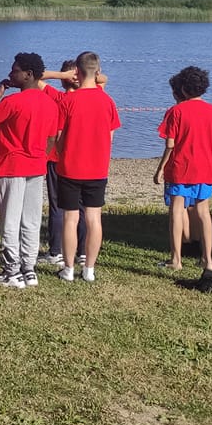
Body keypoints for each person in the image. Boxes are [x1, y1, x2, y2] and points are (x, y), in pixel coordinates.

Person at [0, 53, 59, 289]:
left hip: (11, 167)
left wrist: (0, 91)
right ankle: (29, 269)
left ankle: (12, 271)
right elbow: (52, 138)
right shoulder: (50, 103)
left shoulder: (12, 102)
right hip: (36, 166)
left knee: (10, 221)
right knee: (31, 220)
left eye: (15, 71)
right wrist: (41, 158)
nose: (11, 74)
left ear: (28, 74)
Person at [54, 52, 121, 282]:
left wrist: (62, 151)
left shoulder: (68, 101)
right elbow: (110, 136)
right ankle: (89, 269)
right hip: (97, 168)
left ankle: (69, 268)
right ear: (98, 72)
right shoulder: (107, 101)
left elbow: (59, 137)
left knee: (70, 219)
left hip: (70, 167)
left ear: (77, 73)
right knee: (94, 219)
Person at [153, 66, 212, 271]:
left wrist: (160, 168)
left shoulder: (177, 111)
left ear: (183, 89)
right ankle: (208, 260)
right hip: (205, 168)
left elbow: (170, 144)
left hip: (180, 167)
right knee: (203, 211)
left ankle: (176, 259)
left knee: (177, 210)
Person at [37, 60, 87, 268]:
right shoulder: (91, 99)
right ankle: (82, 252)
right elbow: (102, 79)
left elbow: (37, 76)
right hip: (83, 159)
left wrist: (62, 75)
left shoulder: (59, 98)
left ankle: (56, 250)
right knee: (83, 206)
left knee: (58, 205)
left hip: (57, 158)